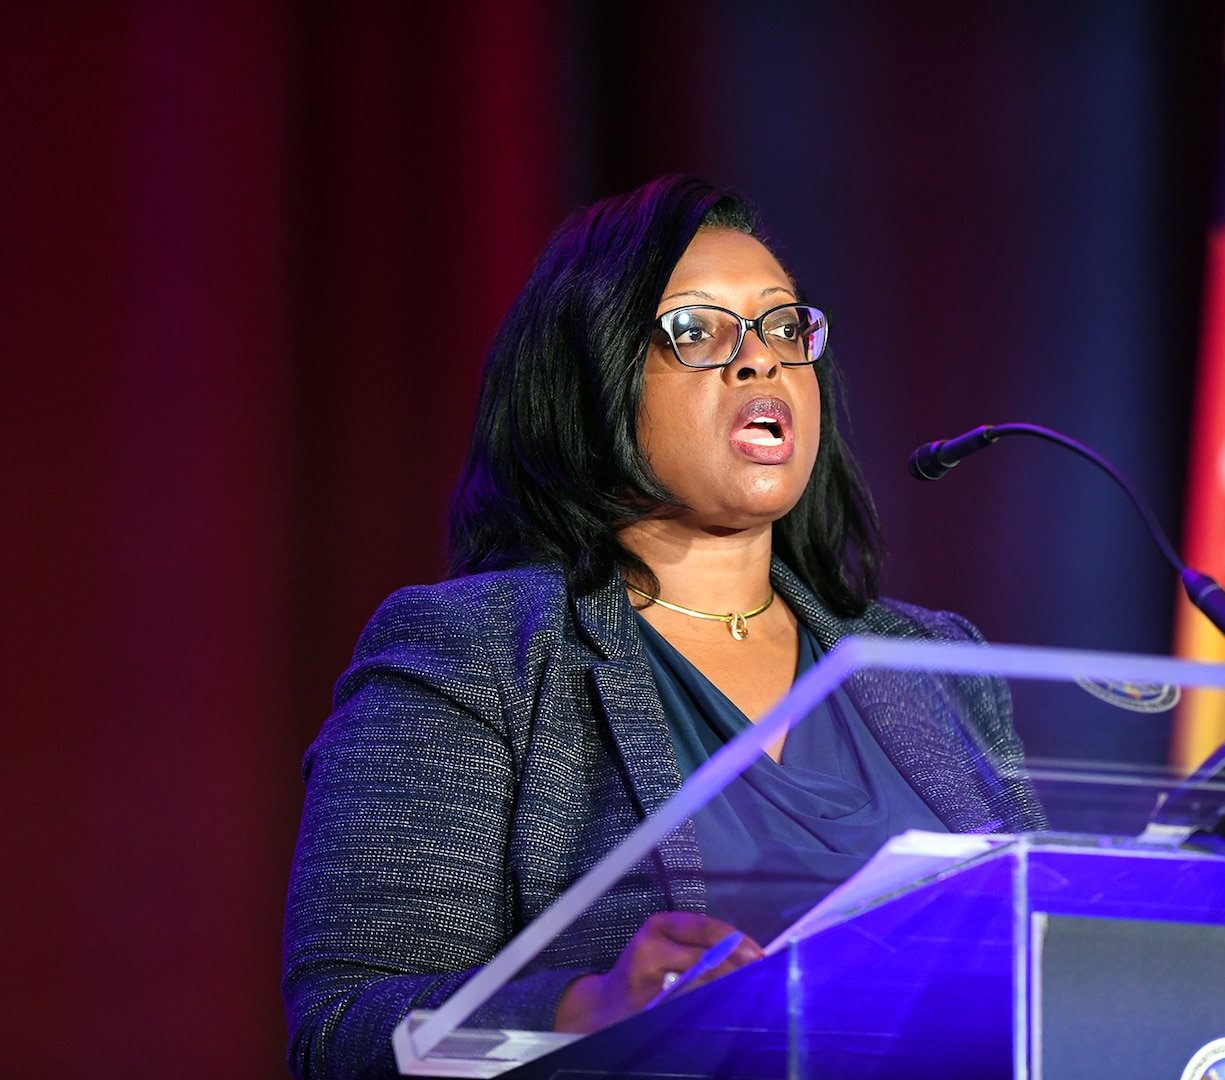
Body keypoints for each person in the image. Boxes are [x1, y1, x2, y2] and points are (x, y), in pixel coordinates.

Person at [282, 175, 1045, 1080]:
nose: (760, 360)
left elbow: (1050, 942)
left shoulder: (935, 662)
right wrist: (591, 1008)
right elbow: (344, 1028)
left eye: (783, 327)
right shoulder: (479, 652)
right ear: (594, 378)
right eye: (696, 330)